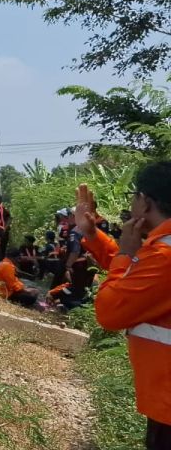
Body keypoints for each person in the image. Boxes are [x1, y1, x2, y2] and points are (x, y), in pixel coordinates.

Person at [76, 163, 171, 450]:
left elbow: (112, 311)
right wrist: (93, 235)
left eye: (134, 196)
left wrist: (126, 253)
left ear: (145, 202)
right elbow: (137, 282)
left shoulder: (165, 255)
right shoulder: (161, 249)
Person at [0, 229, 41, 307]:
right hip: (4, 294)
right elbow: (13, 284)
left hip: (5, 290)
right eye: (18, 259)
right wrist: (25, 290)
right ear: (14, 258)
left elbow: (14, 280)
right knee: (31, 296)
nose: (18, 261)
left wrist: (24, 287)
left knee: (32, 290)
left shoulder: (7, 263)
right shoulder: (7, 266)